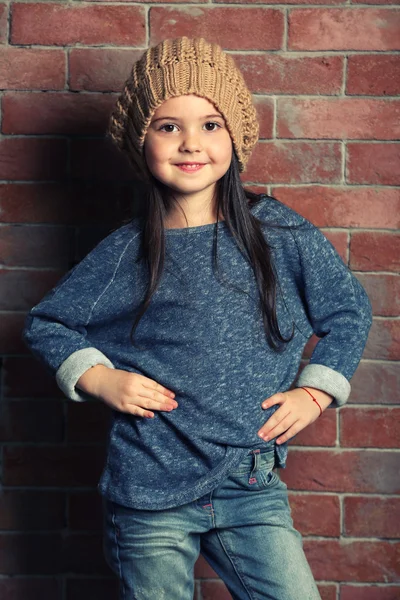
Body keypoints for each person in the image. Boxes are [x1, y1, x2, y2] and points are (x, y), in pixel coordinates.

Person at [22, 36, 372, 600]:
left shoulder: (276, 232)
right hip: (149, 487)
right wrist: (101, 378)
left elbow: (348, 308)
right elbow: (47, 323)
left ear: (235, 135)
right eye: (168, 126)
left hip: (249, 484)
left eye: (210, 124)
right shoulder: (126, 250)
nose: (191, 143)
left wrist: (317, 391)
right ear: (142, 140)